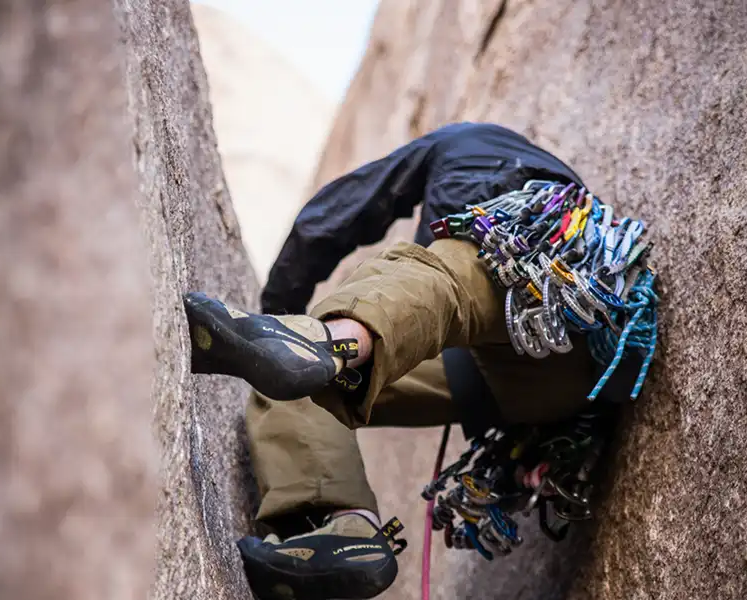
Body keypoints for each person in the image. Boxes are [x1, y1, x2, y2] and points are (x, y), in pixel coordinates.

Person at [183, 123, 603, 600]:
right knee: (294, 390)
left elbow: (333, 217)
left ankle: (326, 341)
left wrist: (278, 308)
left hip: (560, 307)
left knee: (452, 269)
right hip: (538, 390)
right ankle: (348, 532)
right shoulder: (543, 176)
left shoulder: (467, 145)